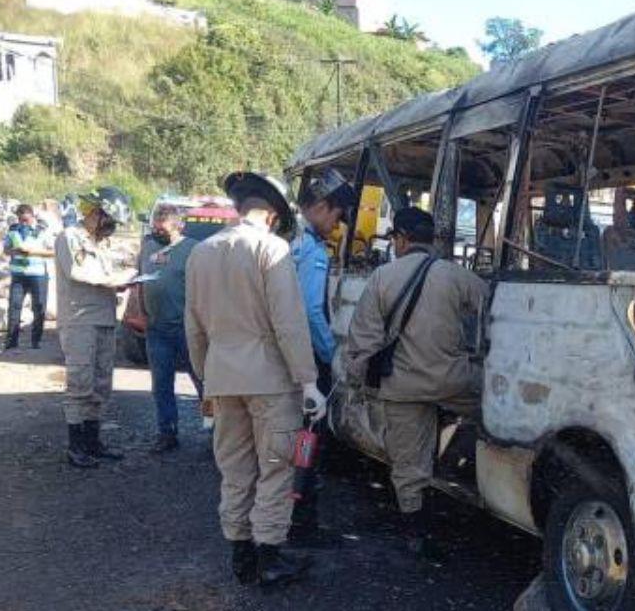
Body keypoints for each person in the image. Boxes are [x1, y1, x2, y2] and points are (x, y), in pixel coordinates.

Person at [185, 171, 326, 588]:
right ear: (272, 214)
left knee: (234, 468)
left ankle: (240, 556)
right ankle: (269, 557)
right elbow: (289, 323)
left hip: (222, 377)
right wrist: (308, 381)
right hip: (271, 380)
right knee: (276, 467)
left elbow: (193, 329)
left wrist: (205, 378)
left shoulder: (201, 252)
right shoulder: (272, 249)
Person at [343, 207, 489, 556]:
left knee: (408, 467)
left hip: (401, 388)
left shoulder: (382, 277)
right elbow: (490, 308)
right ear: (432, 240)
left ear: (401, 239)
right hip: (453, 383)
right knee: (491, 414)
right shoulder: (457, 276)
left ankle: (418, 537)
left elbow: (362, 340)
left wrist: (356, 384)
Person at [289, 169, 357, 542]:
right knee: (308, 439)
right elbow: (312, 311)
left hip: (283, 358)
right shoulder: (311, 250)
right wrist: (333, 355)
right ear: (318, 206)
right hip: (308, 363)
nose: (338, 225)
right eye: (336, 215)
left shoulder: (287, 239)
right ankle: (302, 521)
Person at [55, 186, 137, 468]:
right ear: (96, 213)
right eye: (109, 220)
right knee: (80, 383)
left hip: (103, 317)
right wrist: (114, 278)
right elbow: (78, 272)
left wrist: (123, 280)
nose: (111, 228)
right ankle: (76, 446)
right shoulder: (70, 237)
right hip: (79, 320)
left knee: (101, 384)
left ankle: (93, 441)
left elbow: (106, 275)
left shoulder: (100, 242)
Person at [142, 205, 202, 453]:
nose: (158, 232)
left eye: (163, 228)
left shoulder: (194, 250)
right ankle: (167, 433)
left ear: (179, 226)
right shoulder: (148, 246)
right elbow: (141, 278)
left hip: (187, 330)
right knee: (161, 385)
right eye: (155, 227)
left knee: (204, 383)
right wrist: (142, 311)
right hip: (156, 329)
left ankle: (218, 428)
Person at [3, 203, 52, 350]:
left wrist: (33, 252)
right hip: (18, 275)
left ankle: (36, 341)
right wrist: (16, 251)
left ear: (33, 217)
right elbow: (6, 250)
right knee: (14, 307)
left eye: (27, 220)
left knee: (39, 307)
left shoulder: (43, 231)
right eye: (21, 220)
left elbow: (53, 252)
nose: (24, 223)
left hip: (38, 275)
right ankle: (12, 341)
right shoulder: (13, 231)